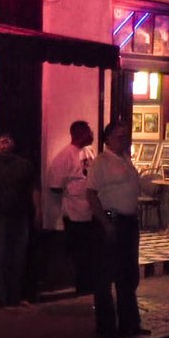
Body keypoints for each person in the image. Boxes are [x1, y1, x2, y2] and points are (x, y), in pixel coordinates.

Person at [87, 121, 153, 338]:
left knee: (128, 274)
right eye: (119, 137)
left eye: (126, 136)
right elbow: (91, 194)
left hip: (128, 221)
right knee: (105, 275)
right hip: (112, 219)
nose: (124, 141)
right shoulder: (101, 162)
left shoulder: (125, 159)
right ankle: (106, 328)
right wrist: (106, 224)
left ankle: (130, 323)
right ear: (107, 139)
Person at [0, 130, 39, 307]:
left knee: (18, 257)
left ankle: (15, 296)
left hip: (20, 215)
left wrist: (38, 210)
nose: (2, 146)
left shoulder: (25, 165)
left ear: (12, 143)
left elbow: (34, 189)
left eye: (5, 142)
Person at [47, 120, 99, 297]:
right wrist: (74, 190)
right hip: (75, 213)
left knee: (91, 252)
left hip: (92, 211)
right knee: (80, 253)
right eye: (88, 132)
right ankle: (82, 288)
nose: (91, 135)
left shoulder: (89, 152)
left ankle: (91, 286)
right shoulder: (64, 156)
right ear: (78, 134)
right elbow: (54, 185)